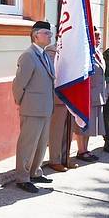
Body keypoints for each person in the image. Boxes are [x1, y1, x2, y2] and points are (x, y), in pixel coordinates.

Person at [12, 21, 55, 194]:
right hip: (32, 107)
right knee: (28, 144)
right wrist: (22, 102)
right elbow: (19, 84)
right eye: (46, 33)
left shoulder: (44, 54)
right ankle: (23, 177)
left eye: (50, 34)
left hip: (45, 107)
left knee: (41, 143)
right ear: (35, 35)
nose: (50, 36)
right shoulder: (28, 56)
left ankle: (35, 172)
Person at [72, 26, 106, 160]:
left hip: (97, 94)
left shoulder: (97, 53)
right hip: (88, 94)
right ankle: (81, 150)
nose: (97, 40)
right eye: (95, 37)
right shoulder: (85, 53)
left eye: (99, 38)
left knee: (90, 125)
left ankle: (86, 149)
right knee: (83, 123)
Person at [45, 44, 78, 172]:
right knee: (57, 132)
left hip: (71, 97)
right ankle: (55, 160)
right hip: (58, 97)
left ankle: (65, 158)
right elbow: (54, 71)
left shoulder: (74, 50)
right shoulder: (52, 50)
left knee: (68, 130)